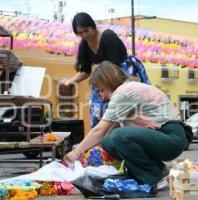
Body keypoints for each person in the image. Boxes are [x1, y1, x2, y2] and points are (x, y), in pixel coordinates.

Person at [63, 61, 186, 189]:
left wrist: (76, 152)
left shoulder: (123, 93)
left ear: (108, 82)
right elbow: (105, 134)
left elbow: (99, 131)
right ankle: (159, 169)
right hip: (164, 136)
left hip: (172, 137)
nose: (101, 96)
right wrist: (85, 150)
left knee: (119, 137)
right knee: (109, 142)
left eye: (101, 90)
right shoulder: (127, 90)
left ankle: (154, 178)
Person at [59, 12, 150, 128]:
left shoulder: (108, 37)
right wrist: (70, 81)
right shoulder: (84, 45)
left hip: (122, 71)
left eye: (86, 30)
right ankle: (100, 137)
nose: (84, 35)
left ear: (92, 26)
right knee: (96, 106)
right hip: (104, 74)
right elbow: (86, 71)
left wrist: (110, 92)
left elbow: (115, 67)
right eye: (80, 33)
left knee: (124, 106)